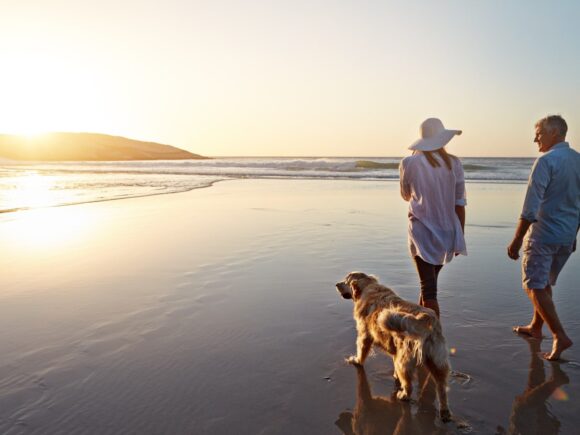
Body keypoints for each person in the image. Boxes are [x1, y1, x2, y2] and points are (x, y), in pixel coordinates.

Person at [508, 114, 579, 361]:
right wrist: (575, 234)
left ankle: (560, 335)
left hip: (544, 234)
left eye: (538, 133)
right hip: (566, 235)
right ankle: (536, 327)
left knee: (534, 286)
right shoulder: (578, 160)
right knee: (544, 283)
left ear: (554, 133)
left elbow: (530, 207)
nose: (535, 138)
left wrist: (517, 239)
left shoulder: (546, 161)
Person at [399, 118, 467, 318]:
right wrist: (459, 236)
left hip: (422, 231)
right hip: (447, 231)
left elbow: (405, 196)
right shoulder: (454, 163)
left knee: (428, 291)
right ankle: (421, 335)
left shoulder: (409, 162)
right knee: (428, 285)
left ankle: (433, 341)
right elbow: (459, 203)